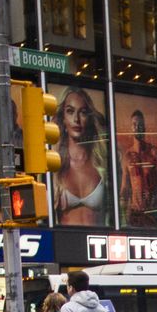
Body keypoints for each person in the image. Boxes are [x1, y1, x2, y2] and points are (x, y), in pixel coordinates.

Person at [53, 89, 107, 226]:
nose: (76, 119)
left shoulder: (102, 161)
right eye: (70, 111)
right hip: (62, 244)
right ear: (63, 119)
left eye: (82, 112)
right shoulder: (54, 164)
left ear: (89, 119)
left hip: (99, 243)